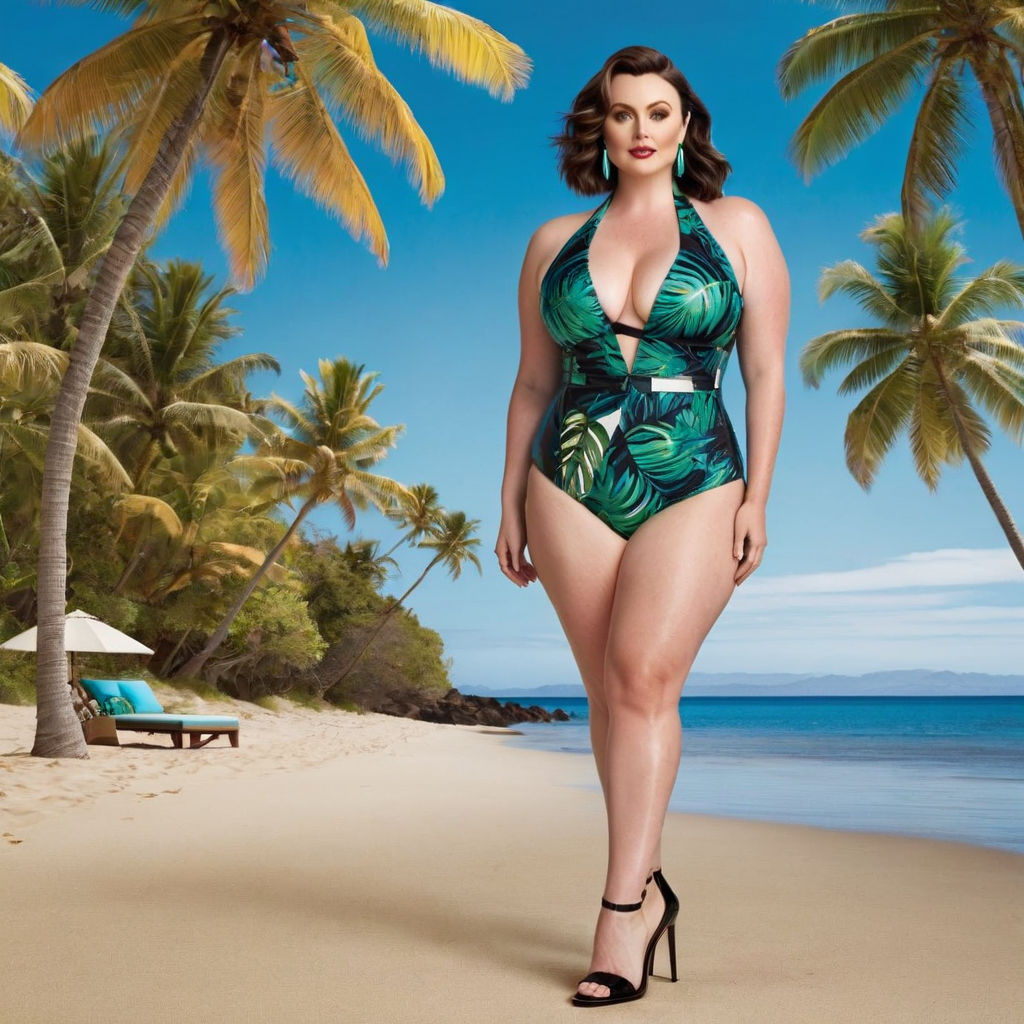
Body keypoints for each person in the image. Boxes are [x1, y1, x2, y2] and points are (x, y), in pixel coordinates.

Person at [495, 46, 788, 1007]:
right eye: (623, 114)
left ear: (686, 124)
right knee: (610, 695)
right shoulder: (551, 243)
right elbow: (535, 381)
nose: (642, 129)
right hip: (571, 470)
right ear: (601, 129)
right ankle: (647, 883)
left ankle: (623, 912)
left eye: (659, 112)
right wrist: (508, 499)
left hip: (696, 463)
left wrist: (757, 498)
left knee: (643, 675)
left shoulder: (737, 226)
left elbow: (766, 372)